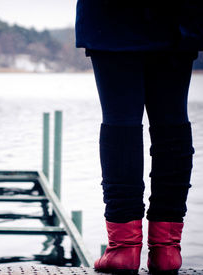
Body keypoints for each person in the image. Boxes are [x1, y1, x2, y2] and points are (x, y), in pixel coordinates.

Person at [75, 0, 203, 274]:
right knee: (172, 122)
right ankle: (166, 250)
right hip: (176, 17)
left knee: (120, 123)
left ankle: (124, 249)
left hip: (113, 18)